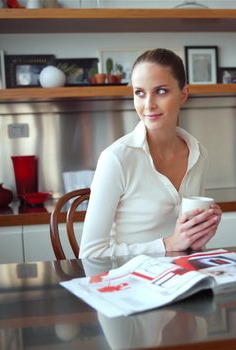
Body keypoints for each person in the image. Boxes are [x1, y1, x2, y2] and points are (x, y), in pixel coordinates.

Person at [79, 48, 222, 258]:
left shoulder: (198, 154)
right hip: (132, 284)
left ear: (183, 95)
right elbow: (90, 254)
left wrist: (198, 233)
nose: (148, 105)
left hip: (183, 279)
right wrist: (168, 244)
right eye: (140, 93)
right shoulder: (116, 159)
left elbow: (184, 244)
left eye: (161, 91)